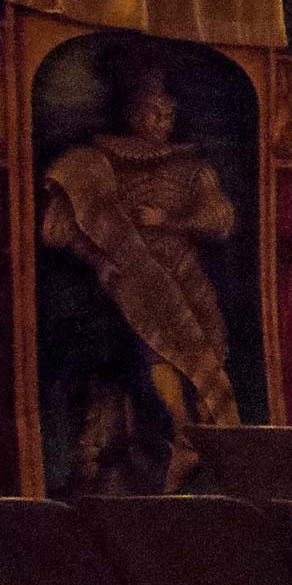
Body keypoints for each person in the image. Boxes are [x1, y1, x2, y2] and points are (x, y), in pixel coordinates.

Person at [40, 64, 241, 490]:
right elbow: (59, 228)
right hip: (134, 275)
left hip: (186, 269)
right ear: (132, 114)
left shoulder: (189, 167)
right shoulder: (100, 162)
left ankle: (217, 445)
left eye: (166, 115)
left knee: (211, 343)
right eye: (151, 113)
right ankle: (183, 432)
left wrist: (172, 218)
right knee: (161, 351)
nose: (159, 123)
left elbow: (221, 218)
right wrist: (98, 260)